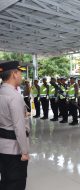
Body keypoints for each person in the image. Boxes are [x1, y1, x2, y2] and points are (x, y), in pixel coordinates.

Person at [0, 61, 29, 190]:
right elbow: (19, 127)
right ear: (14, 74)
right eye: (20, 73)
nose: (21, 76)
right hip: (14, 149)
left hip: (2, 146)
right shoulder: (14, 96)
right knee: (16, 182)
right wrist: (25, 151)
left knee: (5, 180)